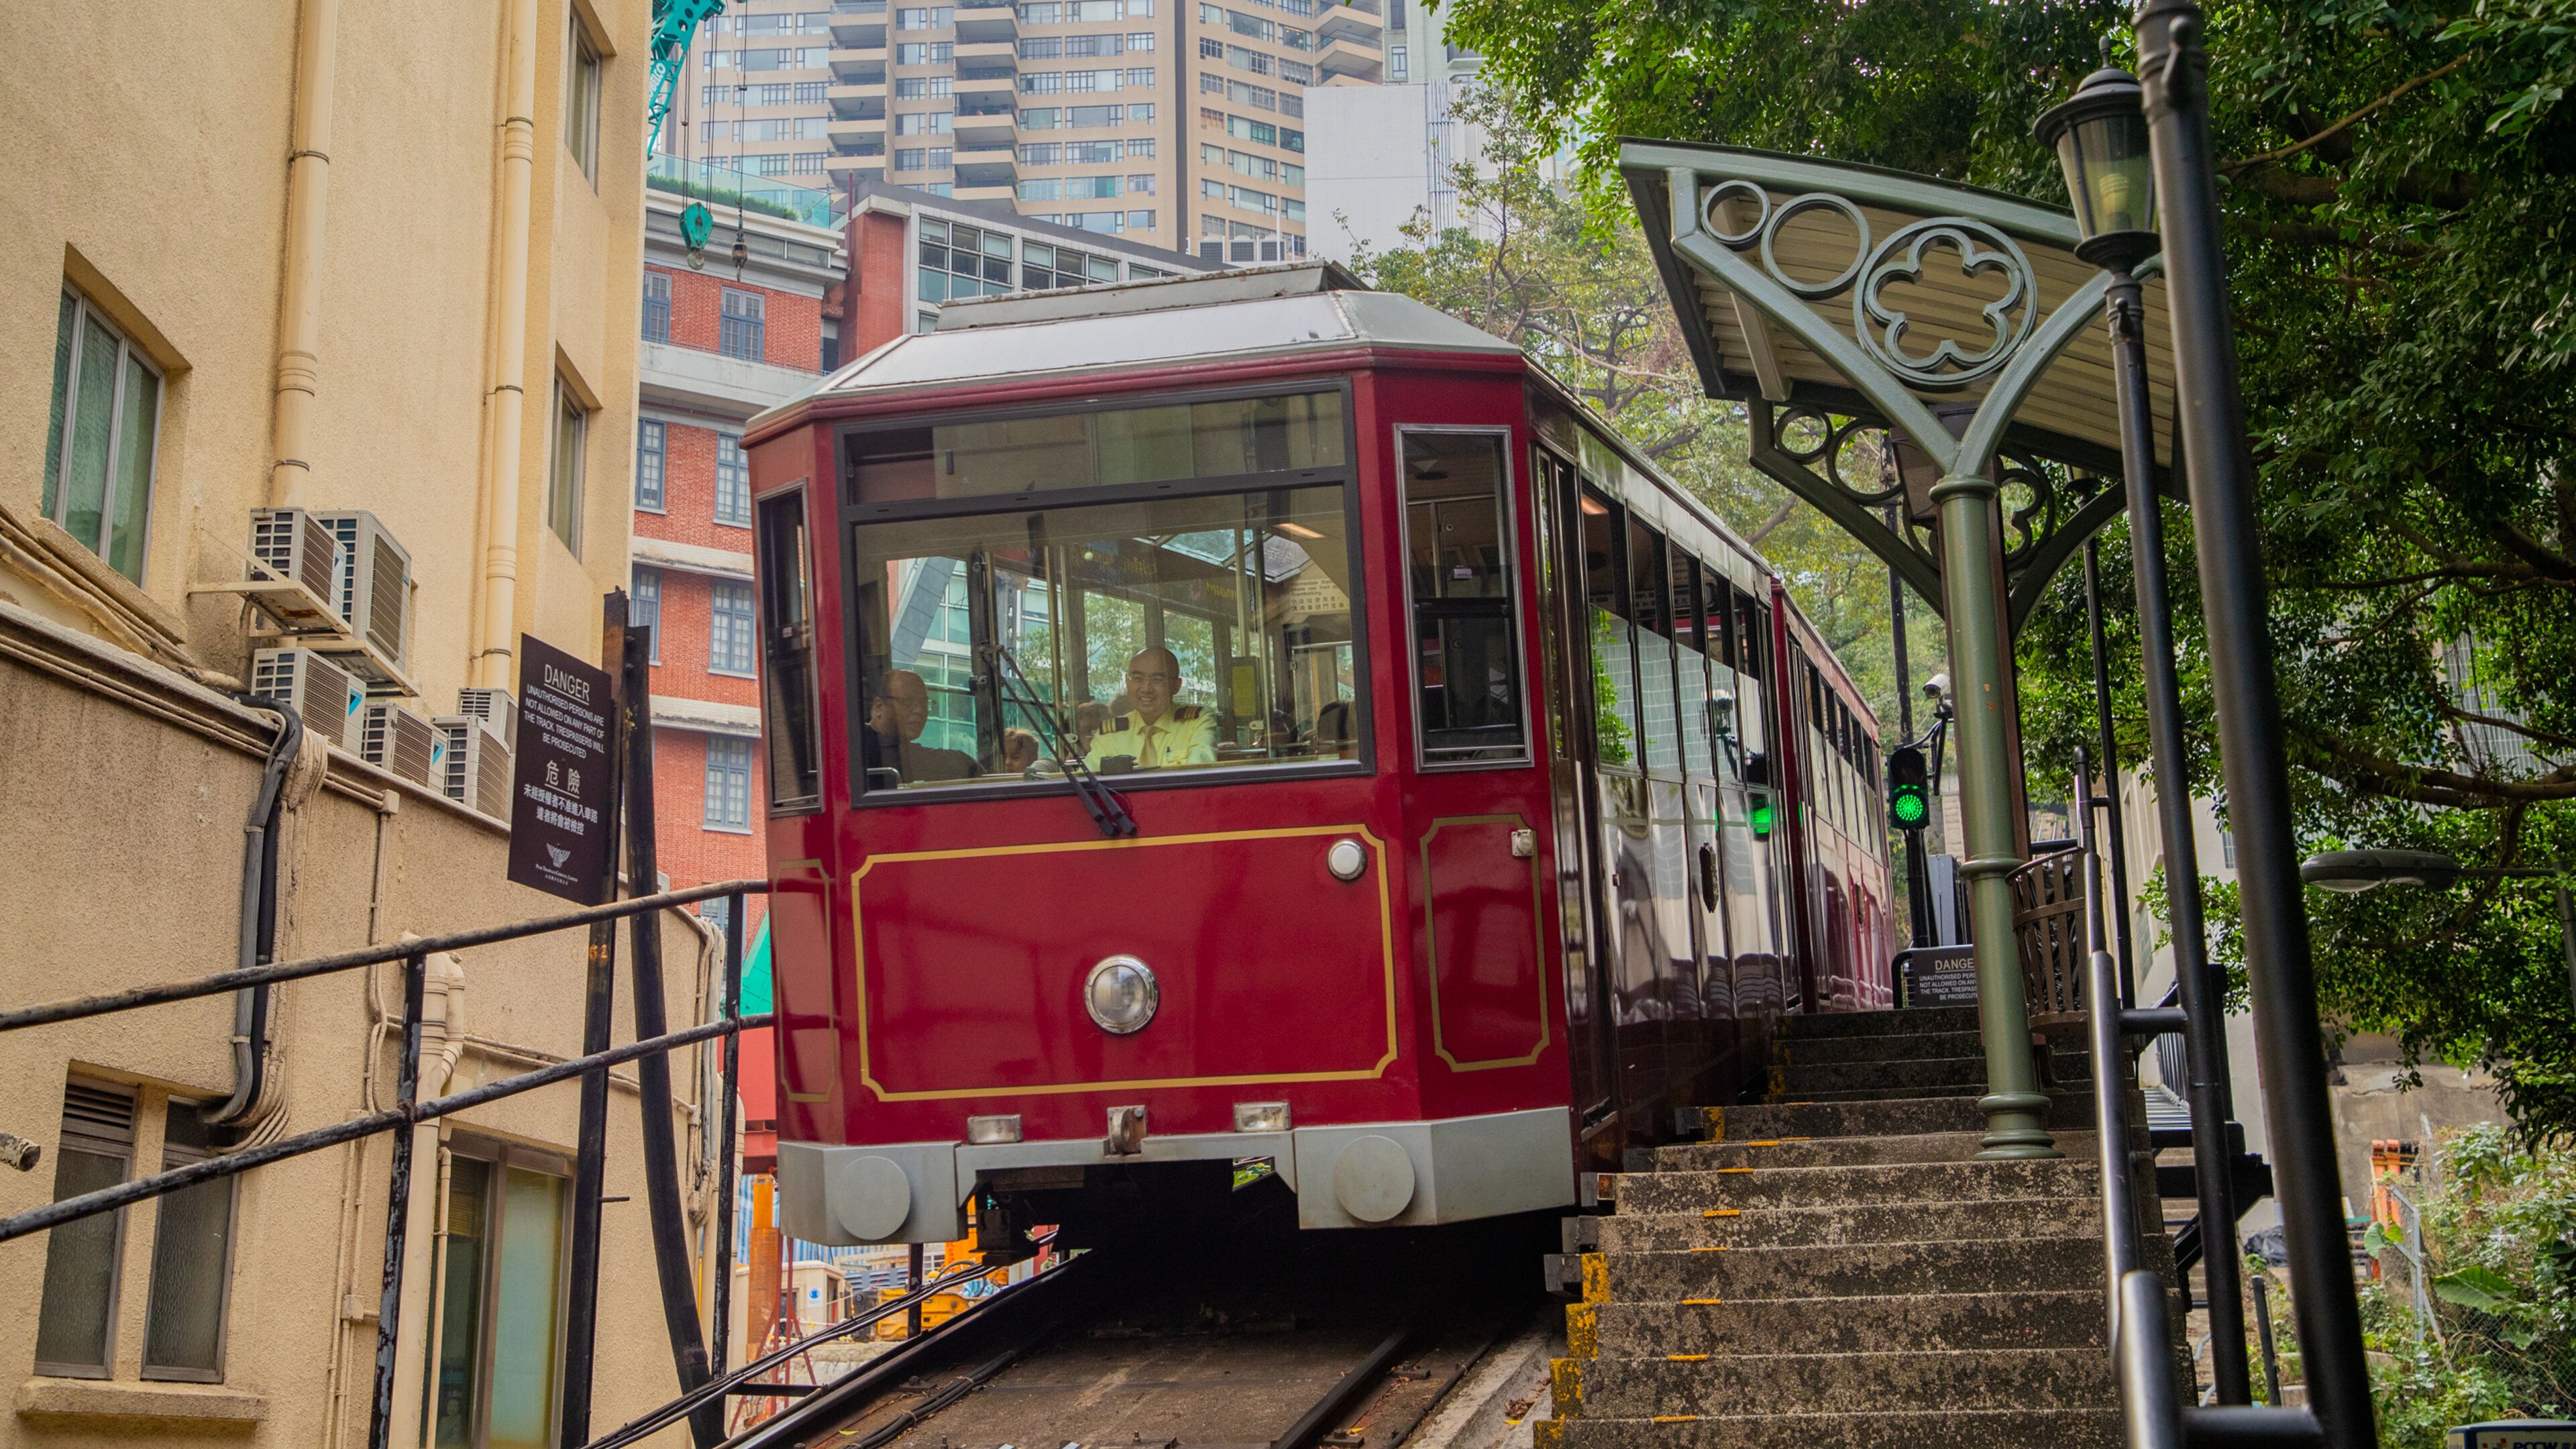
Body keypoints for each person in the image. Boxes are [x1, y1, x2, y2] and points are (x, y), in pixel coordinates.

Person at [1084, 647, 1217, 770]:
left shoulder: (1197, 721)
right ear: (1127, 682)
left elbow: (1197, 776)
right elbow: (1087, 783)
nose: (1146, 689)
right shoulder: (1110, 734)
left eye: (1158, 680)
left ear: (1176, 686)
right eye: (1137, 678)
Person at [863, 669, 978, 784]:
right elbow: (957, 764)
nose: (919, 711)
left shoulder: (893, 742)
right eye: (907, 701)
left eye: (924, 704)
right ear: (879, 707)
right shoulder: (866, 746)